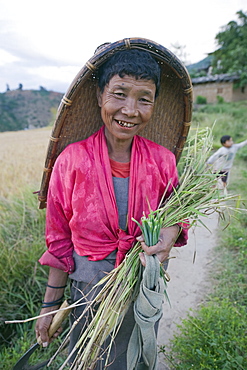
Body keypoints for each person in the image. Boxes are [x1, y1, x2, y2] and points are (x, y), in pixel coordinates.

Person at [35, 46, 189, 369]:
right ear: (99, 95)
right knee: (88, 360)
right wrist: (50, 305)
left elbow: (178, 214)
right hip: (87, 295)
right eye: (119, 94)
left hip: (141, 292)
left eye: (144, 99)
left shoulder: (163, 162)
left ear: (154, 104)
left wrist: (169, 235)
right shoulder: (71, 162)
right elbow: (60, 242)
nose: (130, 110)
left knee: (135, 359)